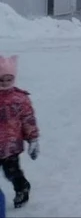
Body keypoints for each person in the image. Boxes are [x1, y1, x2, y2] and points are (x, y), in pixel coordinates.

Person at [0, 56, 38, 210]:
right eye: (1, 79)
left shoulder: (20, 98)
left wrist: (33, 139)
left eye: (8, 79)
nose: (4, 83)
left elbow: (28, 120)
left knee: (11, 173)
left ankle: (22, 187)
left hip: (10, 146)